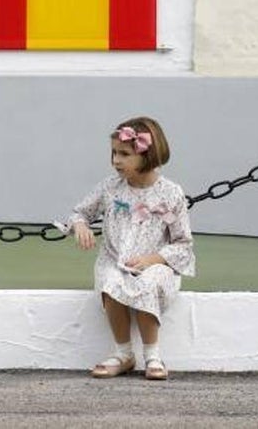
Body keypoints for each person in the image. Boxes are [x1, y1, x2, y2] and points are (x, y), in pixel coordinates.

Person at [57, 117, 194, 380]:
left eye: (124, 154)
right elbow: (80, 212)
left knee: (147, 283)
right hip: (114, 258)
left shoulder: (170, 194)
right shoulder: (110, 189)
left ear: (147, 155)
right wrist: (80, 225)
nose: (116, 161)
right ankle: (123, 353)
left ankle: (152, 355)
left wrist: (153, 259)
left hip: (155, 263)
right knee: (111, 280)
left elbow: (182, 242)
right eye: (114, 153)